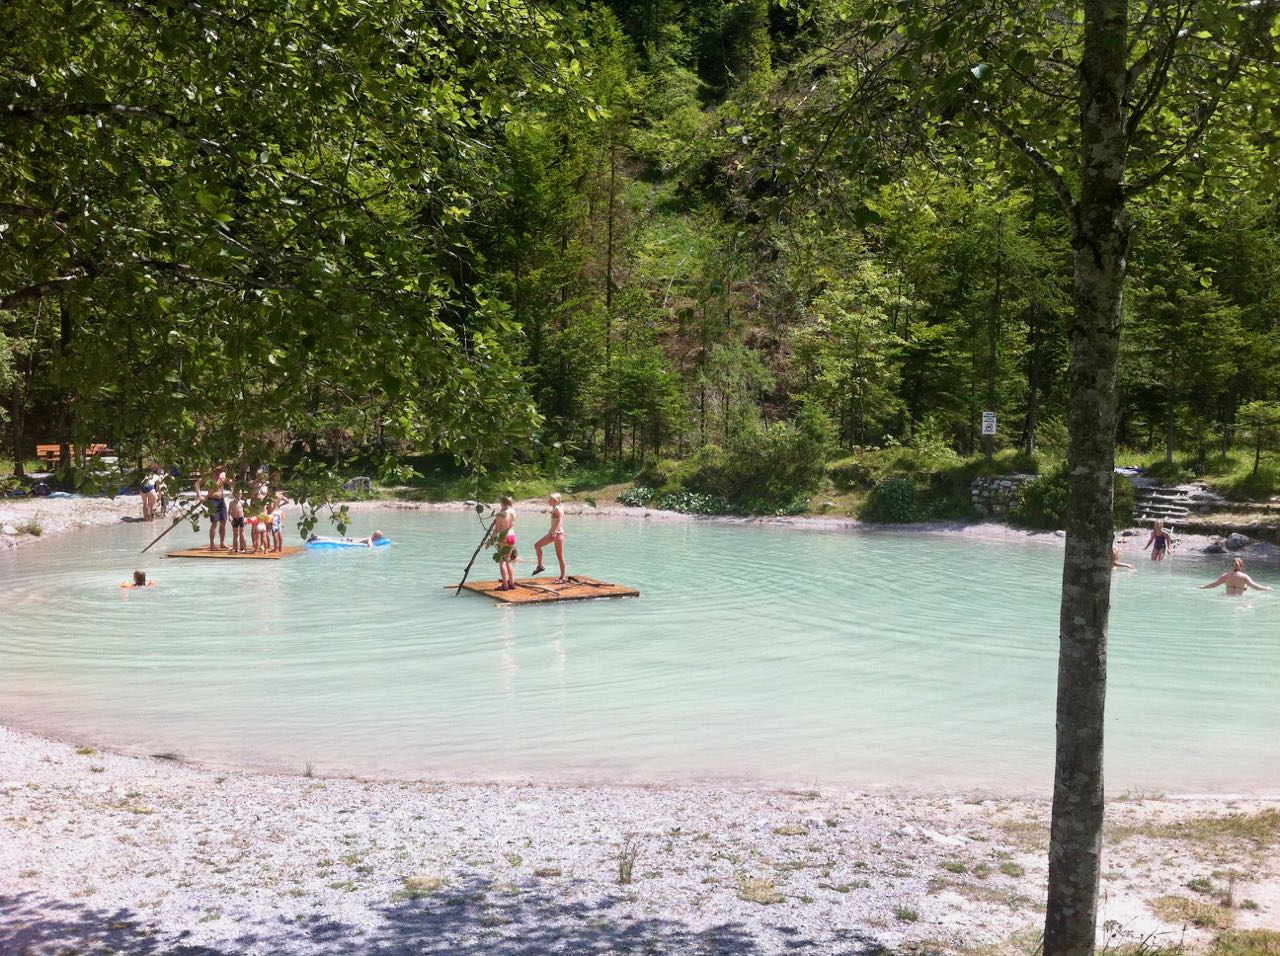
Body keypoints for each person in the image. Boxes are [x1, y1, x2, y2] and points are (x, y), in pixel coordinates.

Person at [532, 492, 569, 584]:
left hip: (558, 534)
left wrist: (555, 531)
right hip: (552, 533)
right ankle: (540, 566)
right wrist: (551, 531)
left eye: (550, 499)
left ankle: (563, 577)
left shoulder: (558, 508)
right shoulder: (555, 508)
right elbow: (555, 522)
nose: (548, 500)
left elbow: (561, 520)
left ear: (555, 501)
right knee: (537, 545)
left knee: (560, 555)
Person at [196, 467, 229, 551]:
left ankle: (222, 543)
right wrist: (199, 495)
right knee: (214, 522)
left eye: (222, 470)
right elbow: (197, 483)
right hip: (212, 500)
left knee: (224, 521)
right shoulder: (209, 476)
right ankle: (212, 544)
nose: (221, 471)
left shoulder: (223, 476)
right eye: (219, 469)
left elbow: (232, 483)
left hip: (221, 500)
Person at [1200, 558, 1273, 596]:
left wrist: (1203, 587)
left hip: (1226, 599)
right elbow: (1256, 587)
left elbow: (1214, 585)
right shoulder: (1244, 577)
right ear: (1241, 566)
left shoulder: (1225, 575)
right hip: (1239, 600)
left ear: (1232, 565)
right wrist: (1267, 588)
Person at [491, 496, 517, 590]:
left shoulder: (500, 515)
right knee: (509, 560)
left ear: (501, 503)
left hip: (504, 536)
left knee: (502, 562)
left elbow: (497, 529)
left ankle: (505, 585)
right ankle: (512, 583)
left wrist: (491, 539)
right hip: (512, 536)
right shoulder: (513, 511)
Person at [228, 485, 248, 553]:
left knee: (242, 533)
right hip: (235, 519)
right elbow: (229, 512)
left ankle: (244, 548)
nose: (238, 495)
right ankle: (235, 548)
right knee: (235, 534)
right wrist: (230, 517)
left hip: (241, 518)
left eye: (239, 494)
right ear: (234, 494)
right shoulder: (231, 503)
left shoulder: (242, 502)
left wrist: (246, 518)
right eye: (237, 493)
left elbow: (246, 512)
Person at [306, 530, 386, 547]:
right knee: (331, 540)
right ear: (376, 537)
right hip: (349, 542)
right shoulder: (370, 539)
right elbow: (370, 546)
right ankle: (316, 537)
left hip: (350, 540)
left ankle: (317, 537)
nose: (379, 539)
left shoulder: (370, 538)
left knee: (331, 539)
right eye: (379, 538)